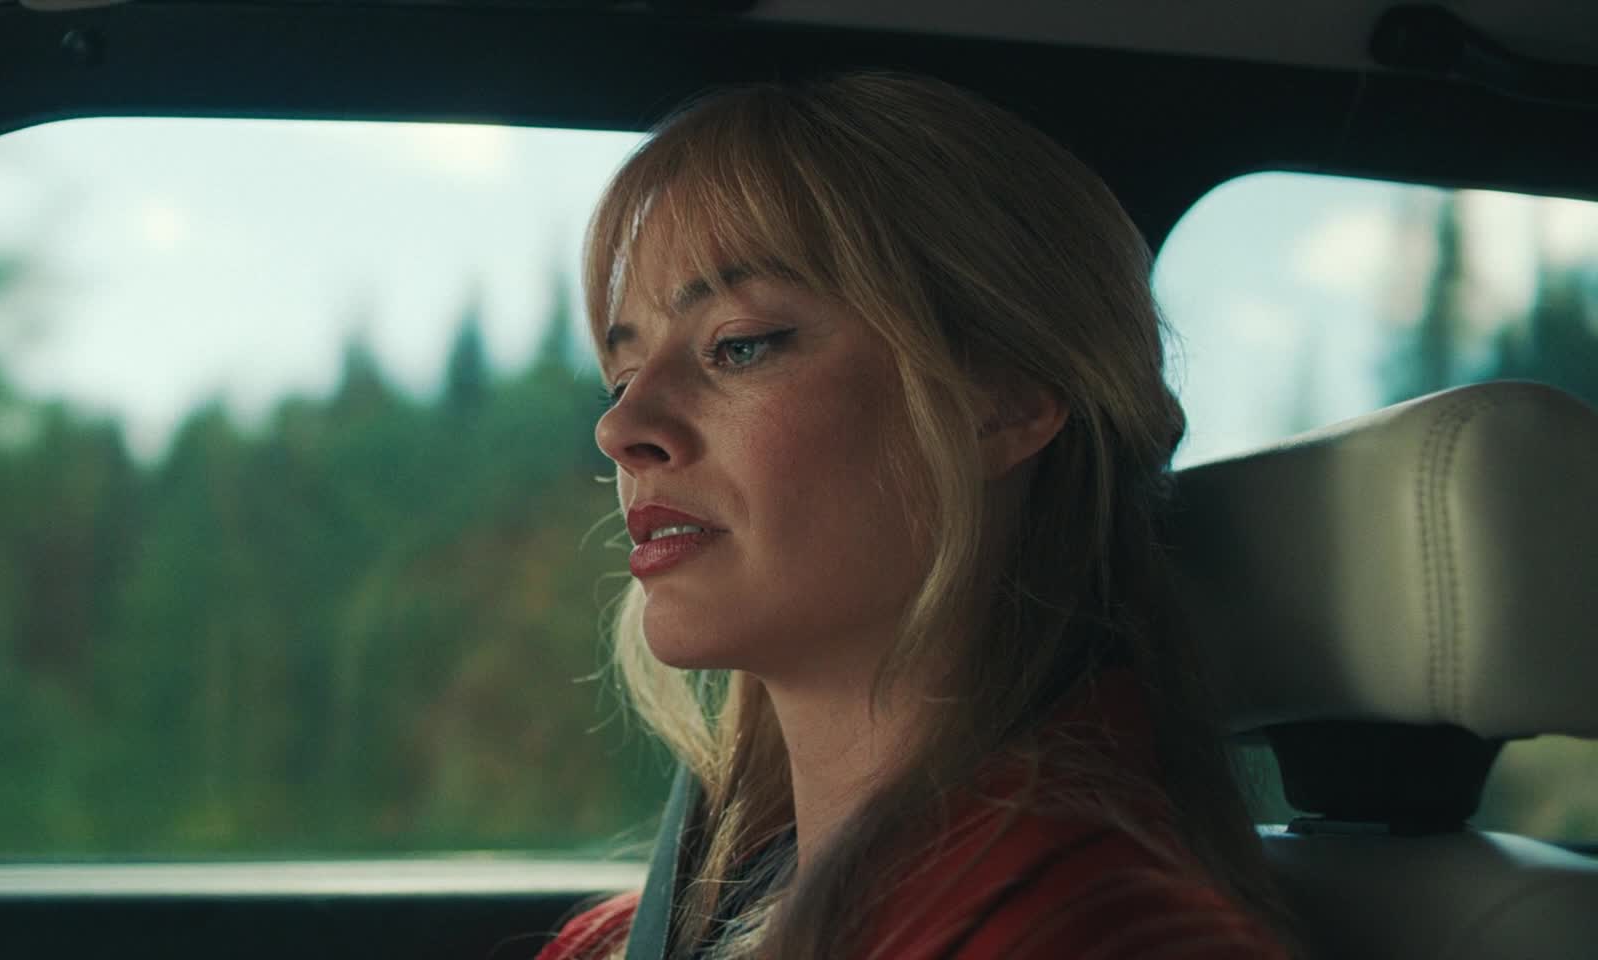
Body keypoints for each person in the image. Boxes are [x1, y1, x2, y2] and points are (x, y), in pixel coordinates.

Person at [539, 71, 1297, 960]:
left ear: (1003, 403)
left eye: (739, 346)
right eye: (623, 376)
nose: (621, 428)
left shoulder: (1093, 936)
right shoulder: (618, 942)